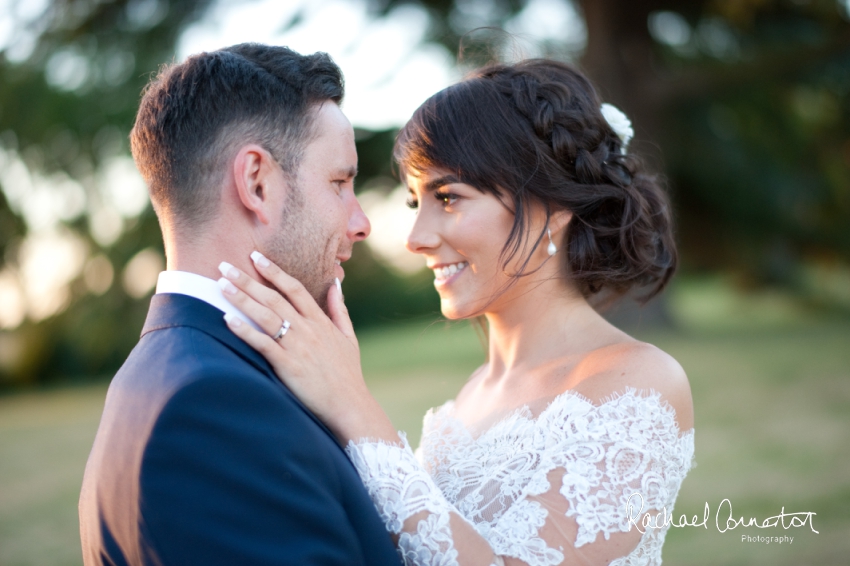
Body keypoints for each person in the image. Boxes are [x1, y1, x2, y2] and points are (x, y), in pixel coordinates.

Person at [218, 59, 695, 566]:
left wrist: (351, 403)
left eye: (448, 197)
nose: (416, 238)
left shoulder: (639, 385)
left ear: (552, 208)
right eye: (414, 202)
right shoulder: (468, 398)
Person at [78, 43, 402, 565]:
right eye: (339, 182)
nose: (360, 222)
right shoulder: (209, 407)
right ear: (257, 182)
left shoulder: (156, 379)